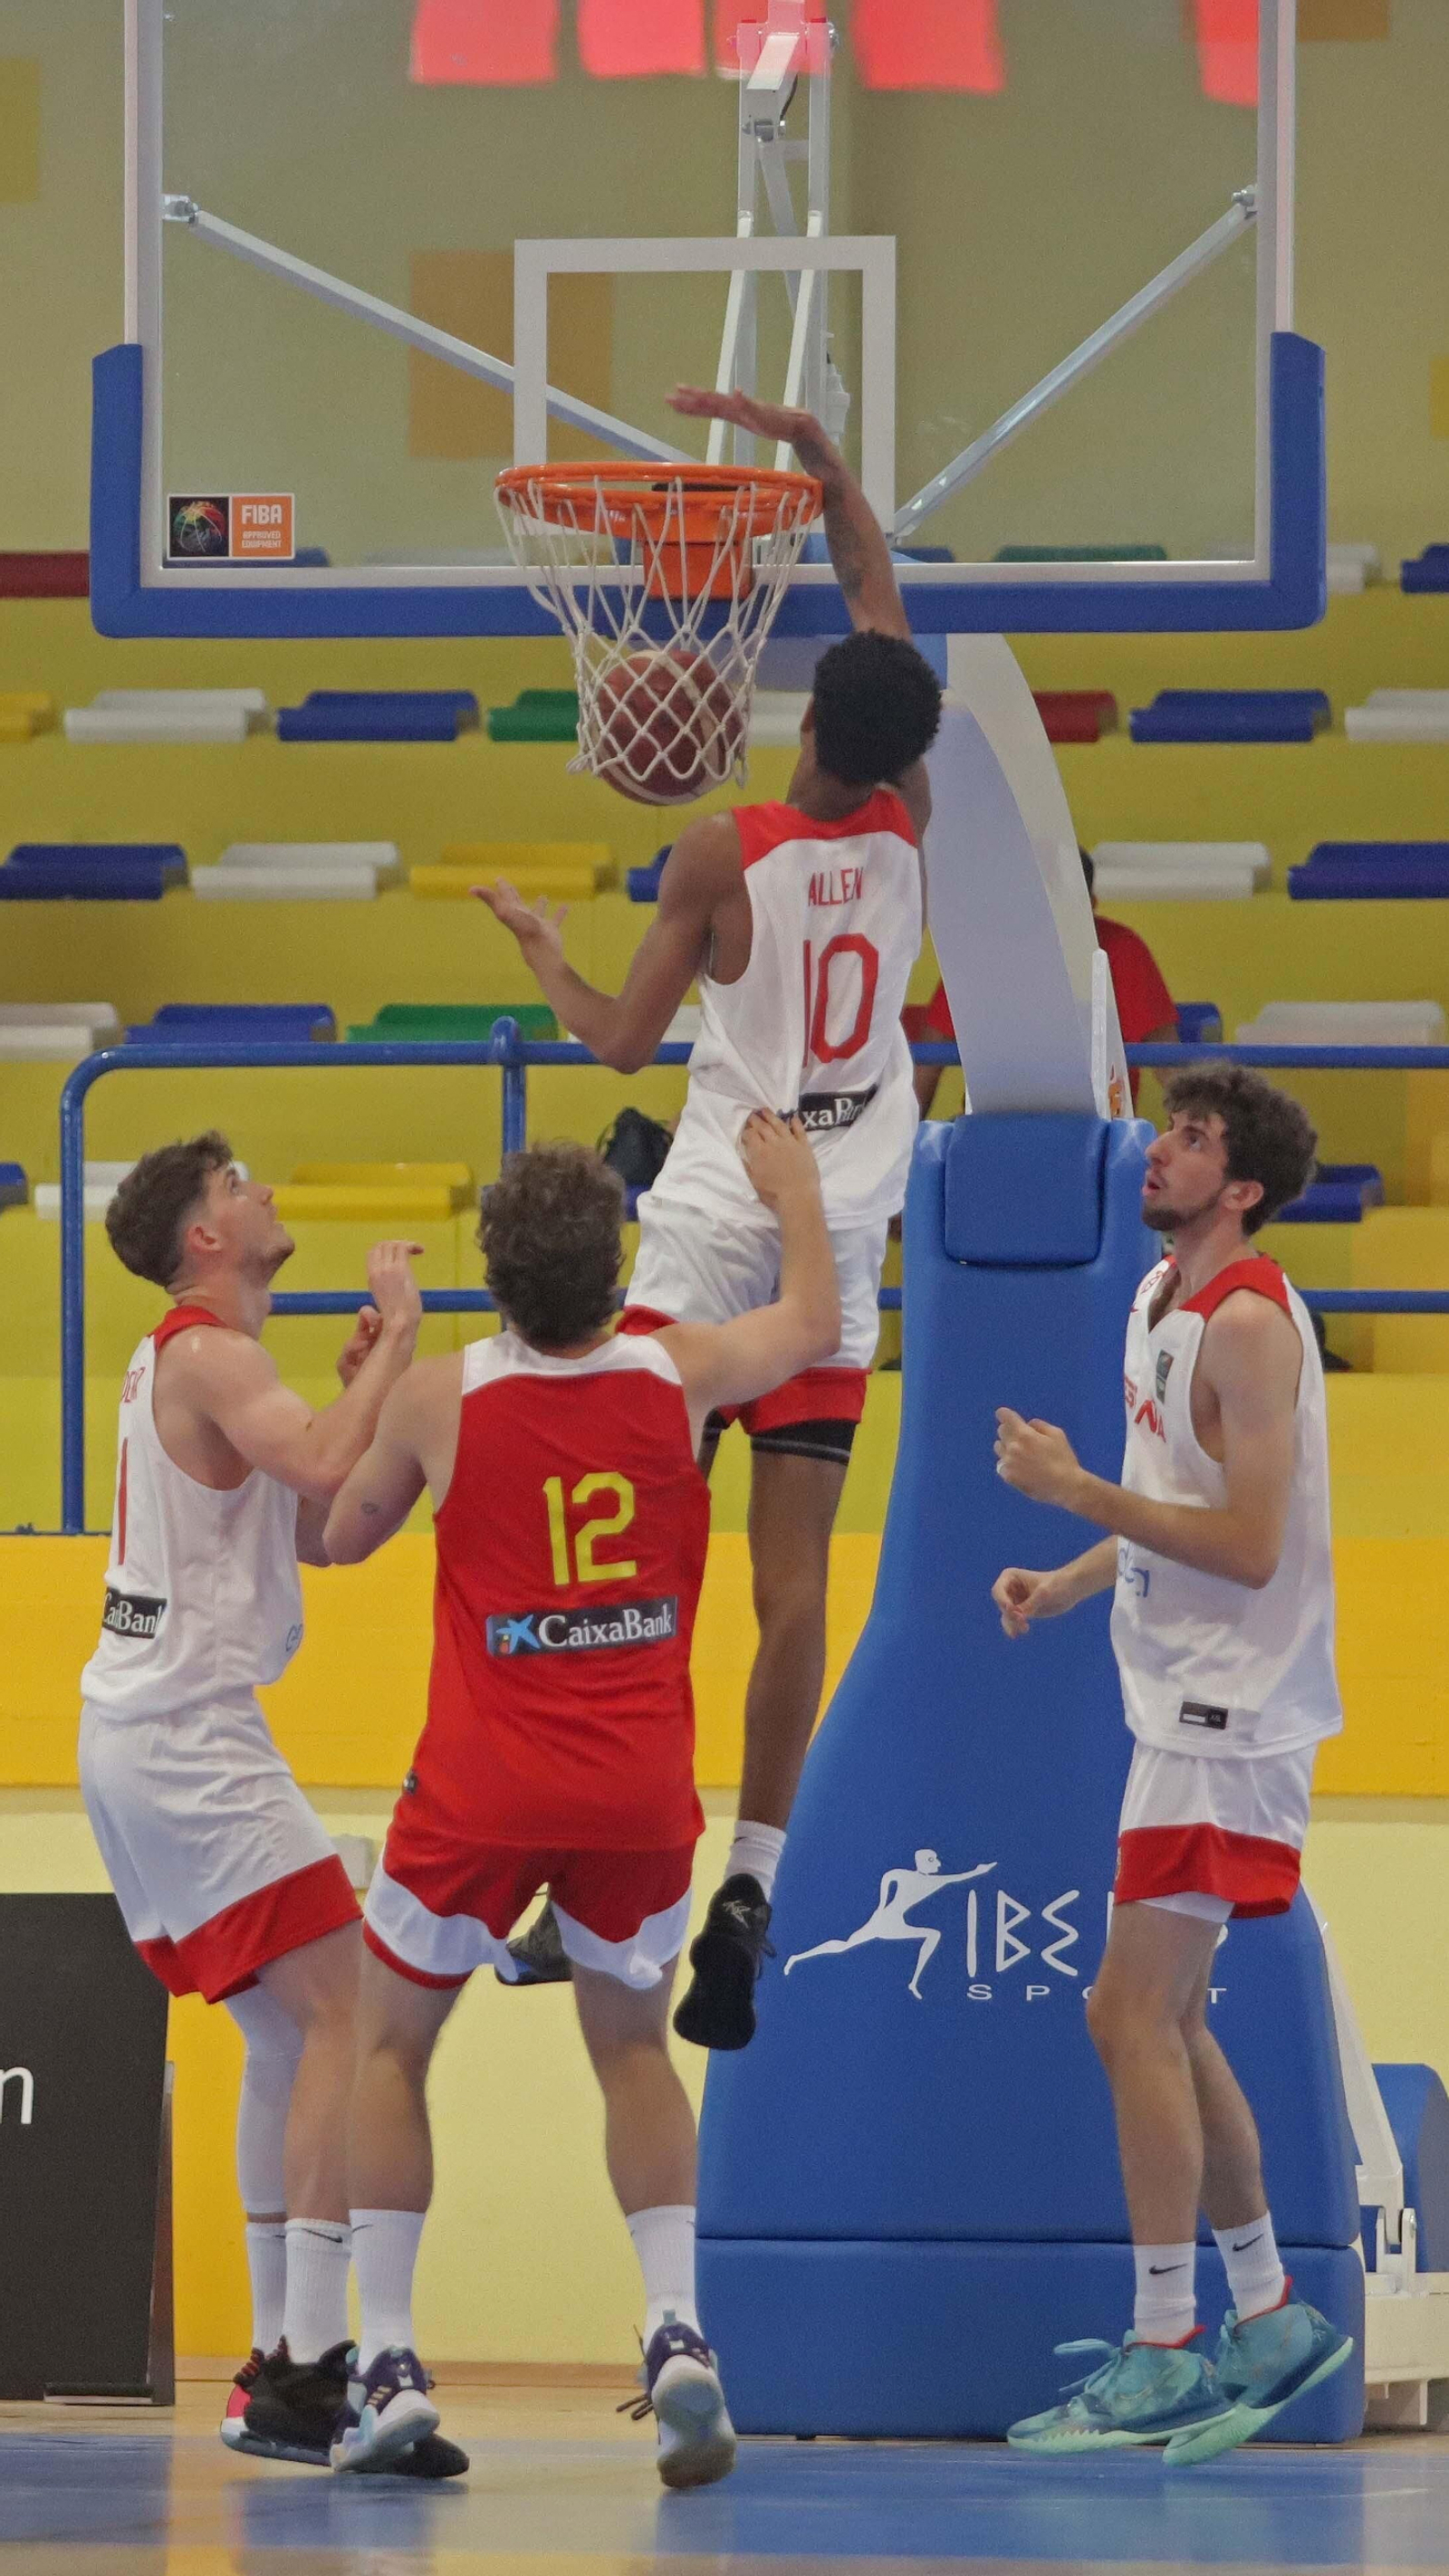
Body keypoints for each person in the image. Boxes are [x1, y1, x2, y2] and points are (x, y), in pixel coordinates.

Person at [477, 382, 944, 2050]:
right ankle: (752, 1880)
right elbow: (880, 609)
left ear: (806, 719)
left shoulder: (718, 854)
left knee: (637, 1562)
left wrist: (545, 954)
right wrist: (827, 472)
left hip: (710, 1233)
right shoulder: (913, 819)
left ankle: (607, 1866)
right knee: (793, 1593)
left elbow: (618, 1043)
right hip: (838, 1237)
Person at [321, 1113, 840, 2483]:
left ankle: (388, 2361)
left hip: (480, 1788)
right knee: (632, 2055)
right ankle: (676, 2332)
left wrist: (376, 1375)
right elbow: (814, 1322)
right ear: (617, 1268)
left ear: (493, 1274)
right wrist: (794, 1191)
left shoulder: (443, 1398)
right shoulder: (680, 1372)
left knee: (389, 2050)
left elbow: (336, 1535)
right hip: (635, 1789)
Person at [79, 1135, 462, 2476]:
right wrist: (401, 1334)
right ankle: (308, 2367)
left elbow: (323, 1529)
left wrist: (363, 1389)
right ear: (205, 1236)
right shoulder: (207, 1354)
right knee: (351, 2008)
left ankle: (273, 2364)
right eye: (238, 1184)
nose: (265, 1193)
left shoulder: (198, 1364)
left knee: (288, 2034)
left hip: (153, 1734)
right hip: (184, 1737)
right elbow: (315, 1471)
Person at [989, 1066, 1354, 2462]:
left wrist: (1076, 1488)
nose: (1161, 1149)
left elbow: (1252, 1545)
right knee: (1167, 2019)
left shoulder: (1248, 1324)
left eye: (1193, 1140)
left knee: (1127, 2016)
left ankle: (1164, 2345)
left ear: (1243, 1187)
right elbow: (1171, 1504)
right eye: (1168, 1127)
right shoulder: (1157, 1298)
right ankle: (1266, 2315)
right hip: (1178, 1707)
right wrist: (1071, 1576)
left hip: (1231, 1721)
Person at [915, 847, 1176, 1115]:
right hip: (994, 1123)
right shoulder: (983, 953)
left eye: (1063, 902)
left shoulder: (1123, 950)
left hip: (1099, 1126)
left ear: (1090, 905)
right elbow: (926, 1067)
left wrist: (1192, 1129)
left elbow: (1170, 1068)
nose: (1049, 915)